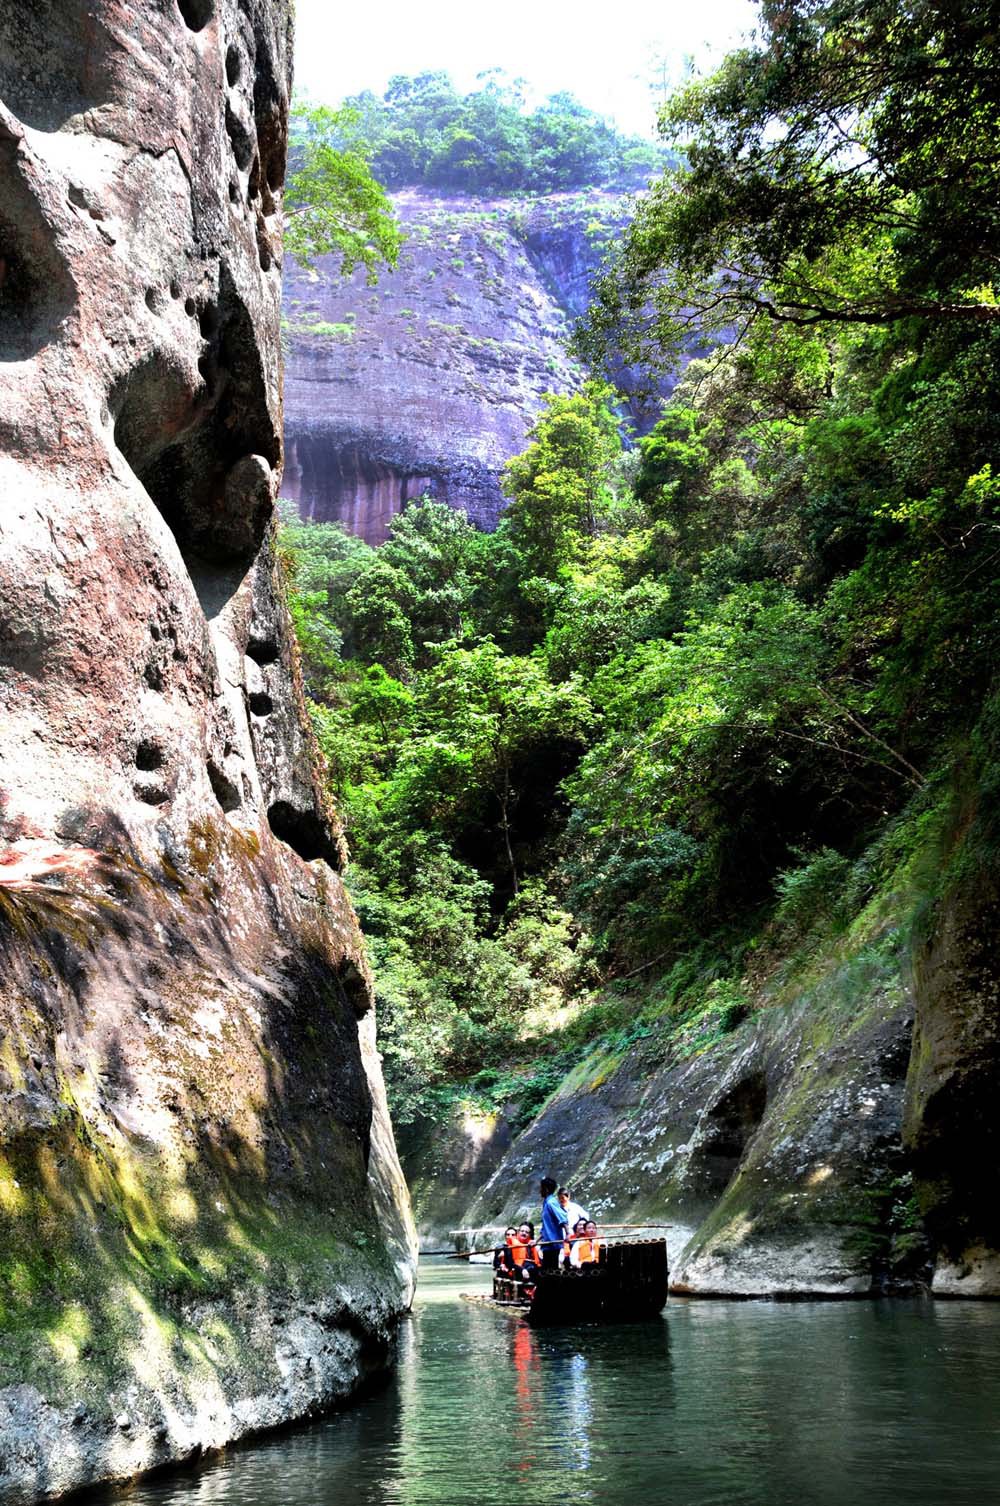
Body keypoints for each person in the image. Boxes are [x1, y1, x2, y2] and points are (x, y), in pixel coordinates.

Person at [539, 1176, 568, 1271]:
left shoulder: (551, 1202)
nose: (540, 1191)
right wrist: (536, 1241)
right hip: (547, 1243)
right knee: (546, 1269)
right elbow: (546, 1227)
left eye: (541, 1188)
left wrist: (567, 1234)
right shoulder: (546, 1202)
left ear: (546, 1189)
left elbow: (563, 1218)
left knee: (550, 1270)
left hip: (552, 1243)